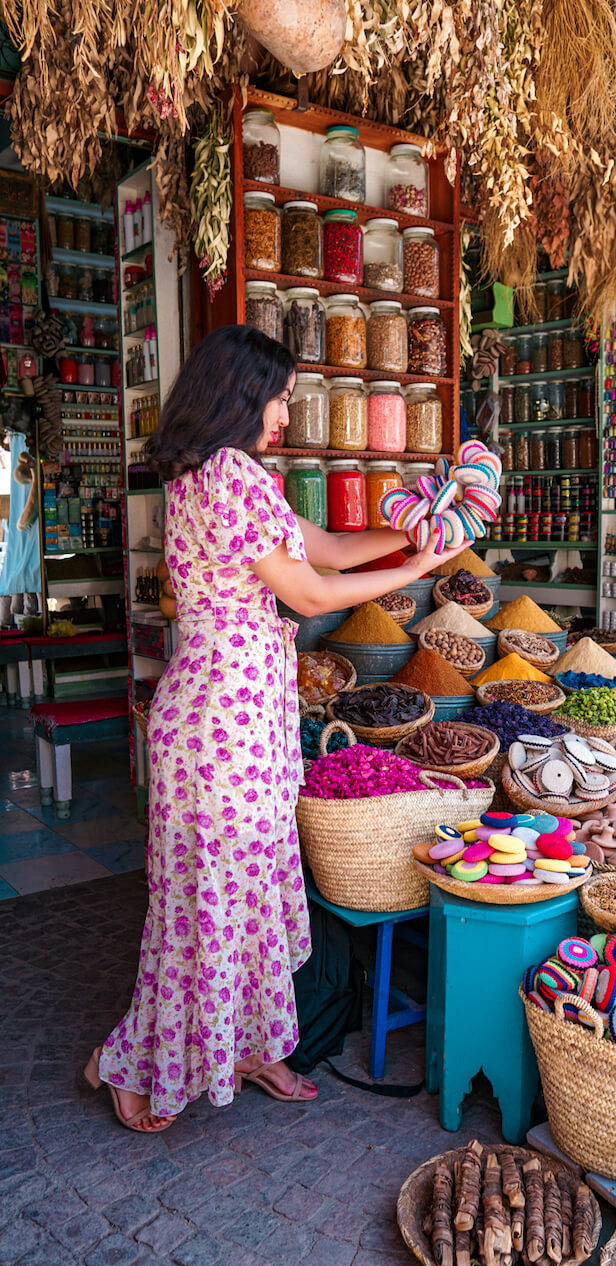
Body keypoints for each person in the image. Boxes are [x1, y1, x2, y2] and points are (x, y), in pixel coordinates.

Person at [84, 325, 468, 1131]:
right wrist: (423, 567)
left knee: (239, 900)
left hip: (231, 725)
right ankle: (129, 1062)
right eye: (283, 399)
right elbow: (315, 592)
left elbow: (322, 545)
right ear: (242, 395)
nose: (287, 415)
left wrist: (413, 524)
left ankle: (251, 1049)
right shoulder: (227, 478)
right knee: (207, 909)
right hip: (222, 728)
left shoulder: (215, 475)